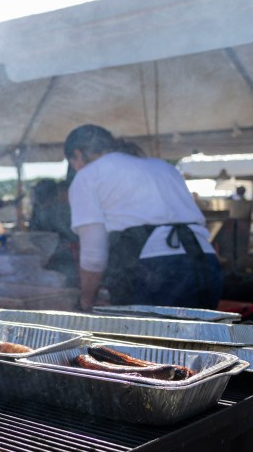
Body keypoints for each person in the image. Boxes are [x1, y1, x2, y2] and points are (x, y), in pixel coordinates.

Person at [64, 124, 223, 312]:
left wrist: (86, 301)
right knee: (199, 339)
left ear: (78, 153)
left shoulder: (88, 176)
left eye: (72, 163)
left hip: (156, 271)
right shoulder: (163, 167)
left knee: (150, 340)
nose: (75, 169)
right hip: (205, 264)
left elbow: (94, 252)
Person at [30, 178, 79, 287]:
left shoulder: (63, 210)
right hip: (48, 260)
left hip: (66, 260)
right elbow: (34, 234)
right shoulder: (38, 210)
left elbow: (73, 238)